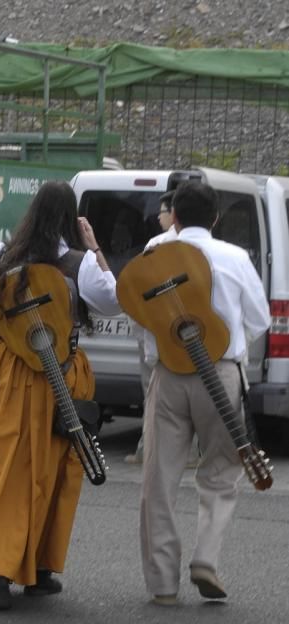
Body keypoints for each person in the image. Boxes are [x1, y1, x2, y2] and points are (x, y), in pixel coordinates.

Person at [0, 180, 120, 610]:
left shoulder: (2, 256)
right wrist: (96, 249)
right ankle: (39, 570)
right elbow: (112, 302)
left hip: (7, 374)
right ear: (72, 218)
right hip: (63, 378)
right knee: (56, 473)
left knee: (7, 470)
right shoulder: (79, 262)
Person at [134, 181, 270, 605]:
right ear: (215, 218)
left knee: (160, 478)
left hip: (170, 373)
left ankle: (162, 583)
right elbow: (260, 320)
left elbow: (139, 317)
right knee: (221, 473)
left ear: (172, 215)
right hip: (221, 373)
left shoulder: (154, 253)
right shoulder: (234, 257)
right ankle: (206, 559)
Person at [125, 191, 200, 467]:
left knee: (155, 399)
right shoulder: (206, 248)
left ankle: (149, 450)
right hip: (193, 337)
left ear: (174, 215)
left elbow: (139, 291)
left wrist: (141, 331)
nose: (158, 216)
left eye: (163, 211)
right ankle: (191, 452)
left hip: (156, 339)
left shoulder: (157, 244)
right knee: (193, 399)